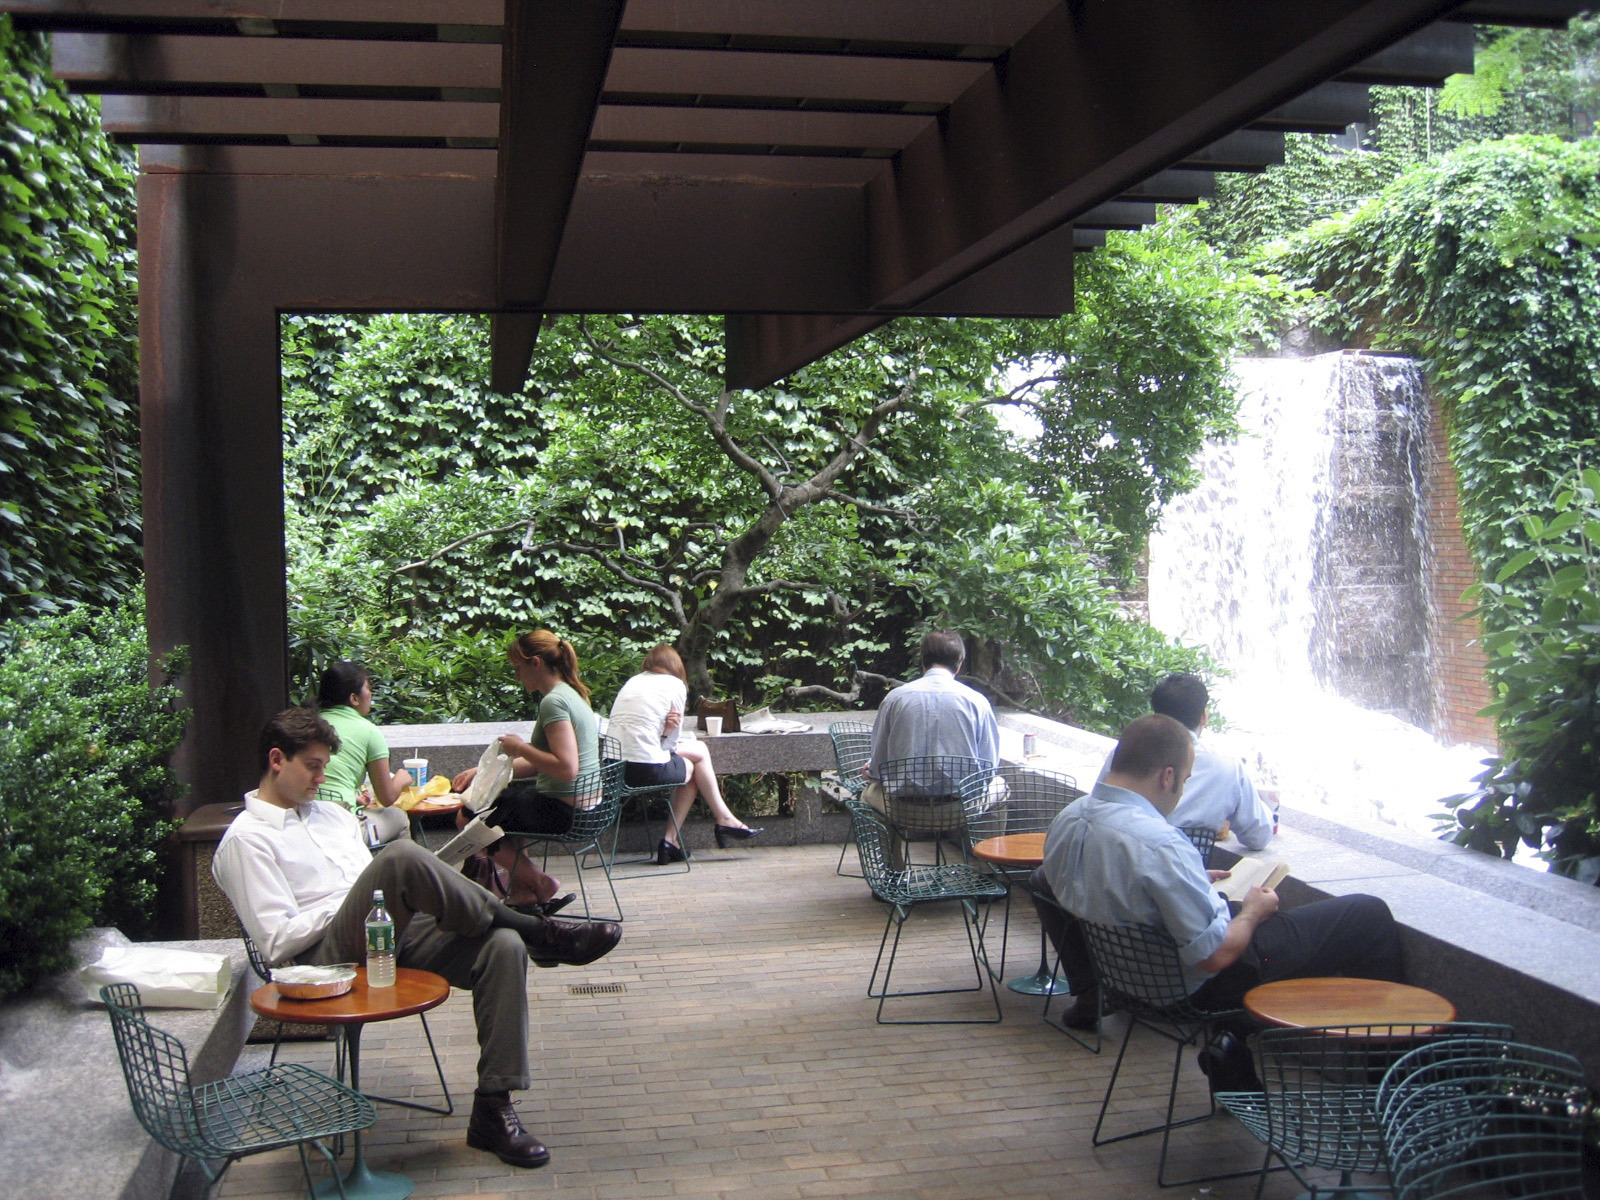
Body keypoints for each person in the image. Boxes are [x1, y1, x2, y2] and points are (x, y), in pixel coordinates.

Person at [214, 708, 623, 1169]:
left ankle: (493, 1107)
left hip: (385, 934)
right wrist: (360, 895)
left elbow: (388, 835)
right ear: (276, 759)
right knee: (401, 859)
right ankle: (539, 929)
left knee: (500, 947)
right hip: (320, 961)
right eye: (312, 766)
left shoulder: (331, 815)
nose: (321, 777)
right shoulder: (246, 840)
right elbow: (275, 943)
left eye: (325, 766)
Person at [1034, 714, 1403, 1086]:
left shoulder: (1068, 819)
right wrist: (1253, 914)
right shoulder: (1158, 843)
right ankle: (1391, 1079)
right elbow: (1213, 957)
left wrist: (1193, 881)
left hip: (1123, 979)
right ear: (1168, 776)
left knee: (1253, 919)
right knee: (1367, 914)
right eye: (1186, 780)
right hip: (1190, 990)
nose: (1181, 790)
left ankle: (1233, 1047)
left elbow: (1106, 888)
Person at [452, 631, 600, 911]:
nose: (517, 677)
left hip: (566, 811)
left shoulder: (554, 702)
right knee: (506, 805)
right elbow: (543, 762)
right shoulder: (571, 693)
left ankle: (539, 882)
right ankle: (522, 891)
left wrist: (519, 747)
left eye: (518, 668)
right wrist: (482, 772)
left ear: (535, 663)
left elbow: (567, 768)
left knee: (469, 815)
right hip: (588, 807)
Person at [607, 643, 762, 864]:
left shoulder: (632, 682)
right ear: (676, 666)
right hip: (646, 768)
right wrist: (669, 732)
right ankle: (712, 824)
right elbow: (669, 746)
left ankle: (679, 840)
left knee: (697, 755)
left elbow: (658, 740)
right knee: (694, 765)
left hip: (614, 768)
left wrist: (666, 732)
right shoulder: (674, 685)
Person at [1096, 673, 1275, 850]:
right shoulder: (1228, 767)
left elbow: (1100, 798)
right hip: (1188, 870)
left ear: (1156, 715)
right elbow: (1258, 836)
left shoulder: (1126, 750)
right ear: (1204, 717)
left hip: (1120, 858)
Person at [314, 661, 411, 811]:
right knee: (397, 816)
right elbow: (387, 797)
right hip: (341, 818)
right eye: (367, 688)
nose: (370, 693)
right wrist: (401, 778)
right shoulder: (369, 731)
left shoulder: (308, 723)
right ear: (354, 698)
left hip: (301, 811)